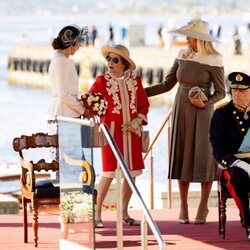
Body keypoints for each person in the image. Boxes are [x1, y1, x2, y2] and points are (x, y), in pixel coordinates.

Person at [144, 17, 226, 224]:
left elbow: (221, 92)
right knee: (182, 154)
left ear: (200, 39)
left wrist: (205, 103)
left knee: (204, 157)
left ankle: (203, 206)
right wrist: (138, 93)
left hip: (203, 113)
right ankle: (183, 205)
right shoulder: (181, 54)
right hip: (181, 110)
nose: (187, 39)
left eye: (190, 36)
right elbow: (167, 84)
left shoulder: (214, 59)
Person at [89, 44, 150, 228]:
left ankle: (123, 212)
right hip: (111, 133)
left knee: (131, 175)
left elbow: (144, 106)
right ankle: (97, 212)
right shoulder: (101, 81)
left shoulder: (135, 81)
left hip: (132, 134)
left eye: (115, 60)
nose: (110, 62)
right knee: (108, 173)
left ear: (123, 63)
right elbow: (90, 103)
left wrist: (136, 122)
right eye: (108, 58)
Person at [46, 24, 91, 238]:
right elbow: (64, 94)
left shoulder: (59, 60)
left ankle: (69, 217)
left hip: (65, 115)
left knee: (73, 169)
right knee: (74, 169)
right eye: (78, 43)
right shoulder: (62, 62)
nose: (79, 47)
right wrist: (84, 108)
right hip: (67, 117)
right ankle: (68, 218)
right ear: (71, 43)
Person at [210, 72, 250, 241]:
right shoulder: (221, 114)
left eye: (242, 91)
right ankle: (248, 222)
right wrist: (239, 163)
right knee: (238, 178)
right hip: (233, 163)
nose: (236, 94)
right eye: (234, 90)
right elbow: (217, 148)